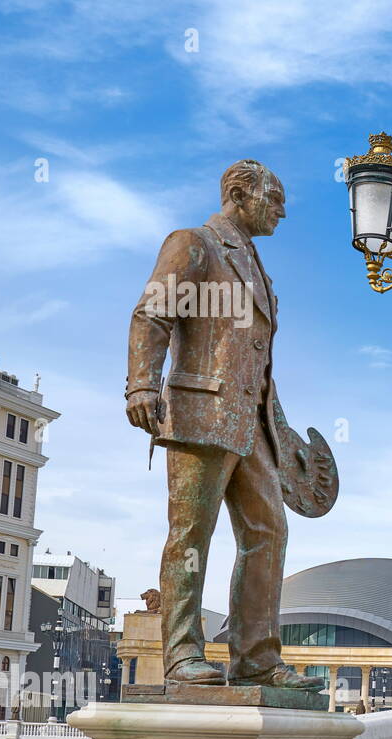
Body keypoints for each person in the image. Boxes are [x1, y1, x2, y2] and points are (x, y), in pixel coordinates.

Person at [126, 159, 324, 690]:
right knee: (191, 533)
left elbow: (259, 363)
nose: (283, 210)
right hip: (201, 413)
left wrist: (281, 432)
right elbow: (152, 314)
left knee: (269, 531)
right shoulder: (195, 243)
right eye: (274, 198)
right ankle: (182, 656)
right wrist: (142, 384)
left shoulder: (257, 265)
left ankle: (256, 658)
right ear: (239, 193)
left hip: (251, 424)